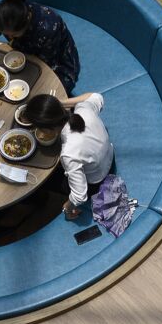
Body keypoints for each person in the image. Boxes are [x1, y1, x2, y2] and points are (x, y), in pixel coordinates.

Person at [24, 93, 131, 230]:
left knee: (44, 180)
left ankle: (40, 200)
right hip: (109, 158)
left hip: (96, 181)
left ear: (46, 129)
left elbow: (80, 196)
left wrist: (67, 208)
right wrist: (59, 103)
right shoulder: (84, 109)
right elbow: (97, 96)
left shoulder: (69, 153)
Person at [0, 0, 81, 94]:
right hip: (24, 52)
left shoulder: (48, 27)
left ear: (26, 23)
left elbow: (44, 64)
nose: (9, 37)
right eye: (6, 33)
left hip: (56, 61)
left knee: (45, 94)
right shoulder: (3, 12)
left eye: (13, 35)